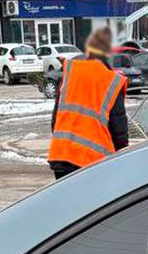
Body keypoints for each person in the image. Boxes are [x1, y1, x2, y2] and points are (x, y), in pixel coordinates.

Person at [48, 27, 129, 181]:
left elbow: (55, 120)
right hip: (94, 162)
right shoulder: (111, 81)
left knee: (67, 203)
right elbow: (119, 132)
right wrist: (120, 159)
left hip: (61, 155)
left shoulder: (71, 71)